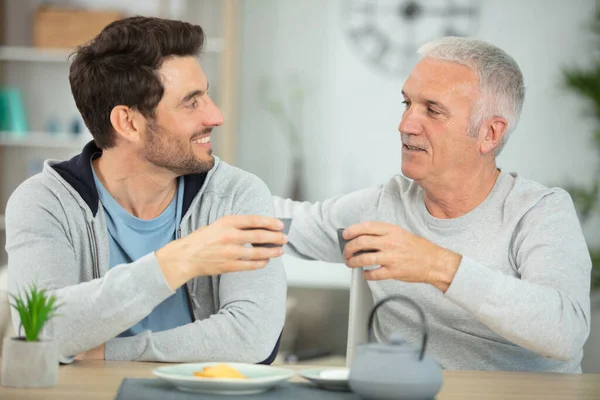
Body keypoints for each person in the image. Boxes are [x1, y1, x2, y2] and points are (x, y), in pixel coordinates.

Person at [274, 37, 591, 373]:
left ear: (490, 134)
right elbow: (283, 222)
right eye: (406, 103)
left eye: (432, 110)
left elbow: (565, 331)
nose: (406, 124)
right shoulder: (385, 204)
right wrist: (212, 176)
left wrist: (437, 265)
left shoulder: (539, 212)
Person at [5, 16, 288, 364]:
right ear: (128, 122)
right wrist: (175, 262)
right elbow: (39, 333)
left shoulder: (236, 195)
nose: (216, 116)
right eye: (191, 102)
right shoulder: (45, 203)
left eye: (206, 95)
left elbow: (252, 338)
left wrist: (107, 352)